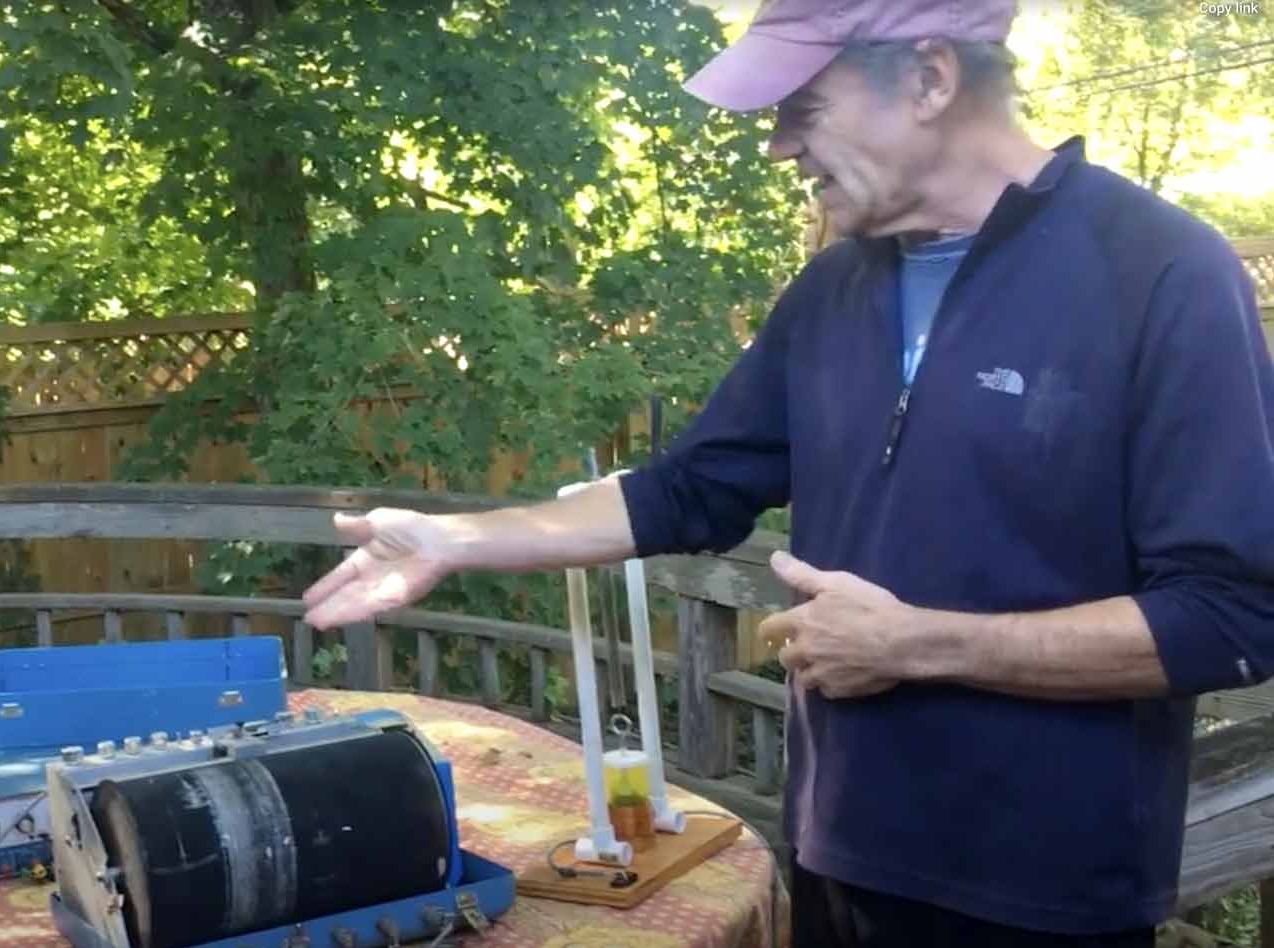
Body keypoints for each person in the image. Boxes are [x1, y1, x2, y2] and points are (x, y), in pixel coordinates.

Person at [301, 0, 1274, 944]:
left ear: (929, 76)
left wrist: (916, 645)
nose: (779, 147)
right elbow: (689, 489)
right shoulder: (833, 289)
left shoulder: (1163, 274)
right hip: (836, 856)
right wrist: (452, 538)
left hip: (1045, 896)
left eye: (802, 109)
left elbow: (1232, 618)